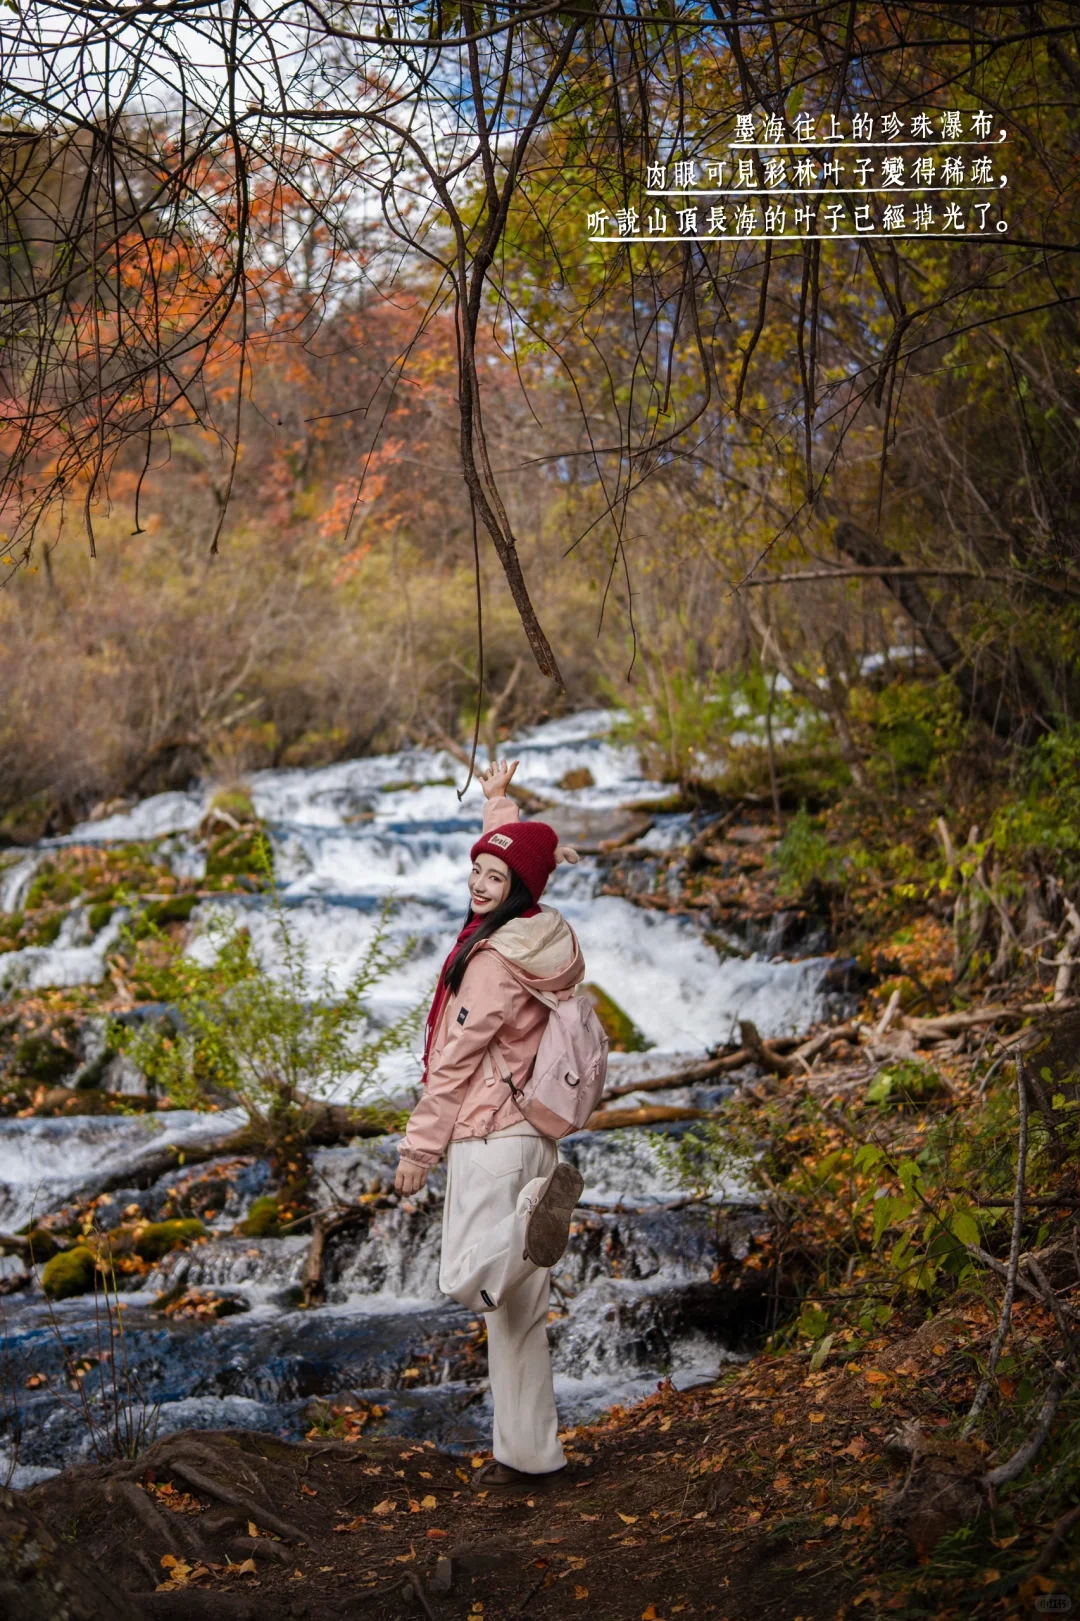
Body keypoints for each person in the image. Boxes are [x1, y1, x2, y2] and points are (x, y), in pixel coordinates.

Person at [394, 757, 586, 1492]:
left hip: (488, 1136)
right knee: (517, 1313)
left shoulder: (490, 963)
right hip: (537, 1133)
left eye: (492, 880)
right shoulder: (539, 929)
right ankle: (532, 1454)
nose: (478, 884)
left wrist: (420, 1146)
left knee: (465, 1279)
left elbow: (451, 1061)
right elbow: (517, 865)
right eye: (476, 871)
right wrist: (499, 809)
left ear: (517, 893)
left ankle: (538, 1213)